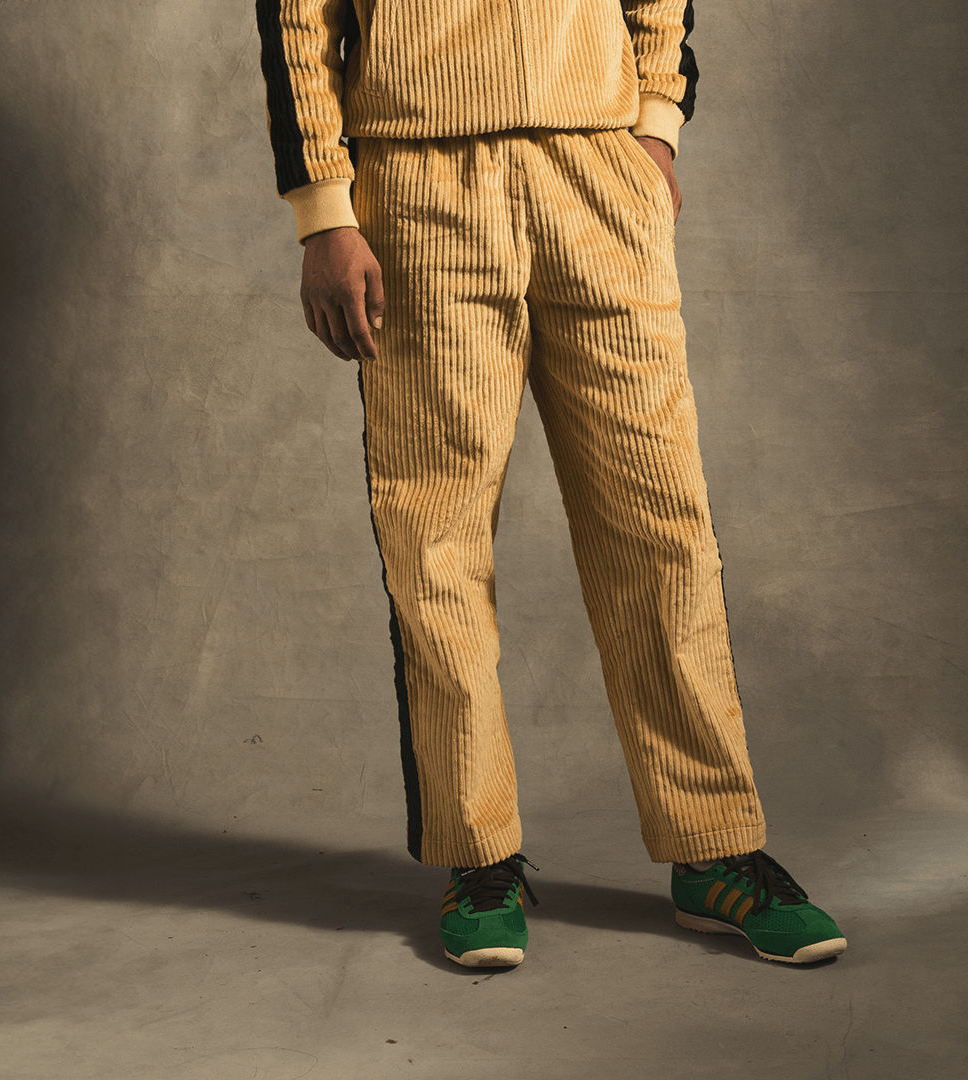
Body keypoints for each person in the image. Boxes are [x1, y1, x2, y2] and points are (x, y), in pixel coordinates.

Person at [255, 0, 846, 968]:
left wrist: (653, 130)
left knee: (662, 524)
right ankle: (477, 855)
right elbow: (297, 18)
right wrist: (325, 211)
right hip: (419, 178)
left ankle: (713, 847)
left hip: (596, 170)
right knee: (436, 537)